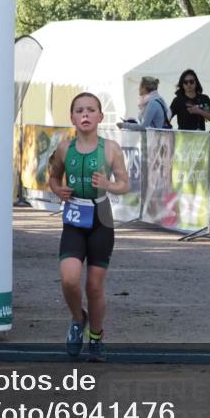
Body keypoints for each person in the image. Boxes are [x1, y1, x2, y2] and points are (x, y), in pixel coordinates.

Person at [48, 92, 130, 362]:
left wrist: (108, 185)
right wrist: (59, 190)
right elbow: (53, 176)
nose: (85, 114)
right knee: (69, 278)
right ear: (71, 117)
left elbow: (124, 184)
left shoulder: (111, 149)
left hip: (101, 217)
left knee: (94, 286)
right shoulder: (63, 148)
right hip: (74, 216)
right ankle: (77, 318)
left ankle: (96, 338)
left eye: (91, 110)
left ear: (100, 116)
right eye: (79, 110)